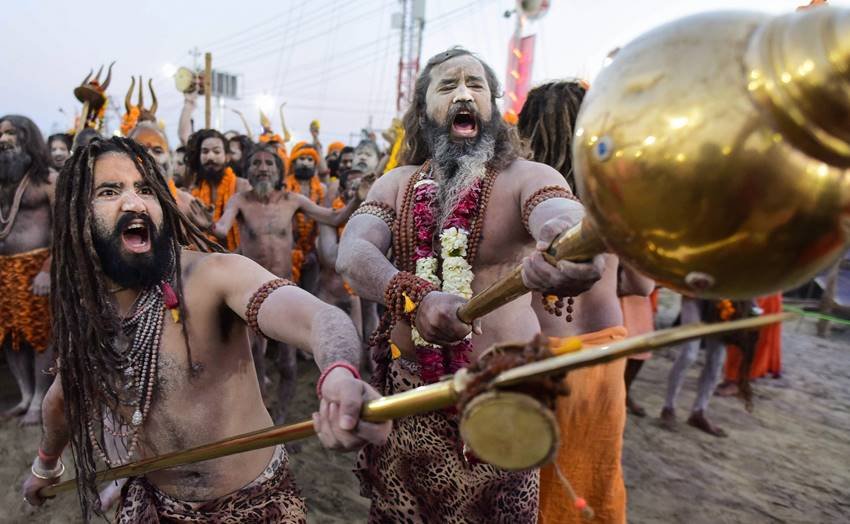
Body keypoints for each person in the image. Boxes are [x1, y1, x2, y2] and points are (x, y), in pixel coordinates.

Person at [21, 137, 391, 521]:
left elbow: (319, 318)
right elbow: (64, 398)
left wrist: (339, 373)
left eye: (145, 189)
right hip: (155, 503)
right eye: (109, 192)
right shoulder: (90, 311)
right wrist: (45, 464)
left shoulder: (213, 274)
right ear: (77, 215)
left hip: (254, 506)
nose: (135, 203)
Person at [336, 48, 603, 522]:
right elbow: (353, 252)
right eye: (448, 85)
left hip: (500, 400)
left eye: (476, 85)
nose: (464, 94)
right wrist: (412, 294)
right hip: (410, 400)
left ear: (493, 107)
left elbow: (560, 214)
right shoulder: (396, 184)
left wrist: (566, 243)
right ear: (424, 111)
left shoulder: (528, 177)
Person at [517, 80, 653, 524]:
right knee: (594, 474)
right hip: (603, 357)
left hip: (537, 358)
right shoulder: (613, 202)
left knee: (529, 481)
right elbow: (642, 286)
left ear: (526, 131)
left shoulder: (520, 197)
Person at [214, 143, 369, 423]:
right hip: (249, 291)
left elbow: (334, 217)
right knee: (255, 360)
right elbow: (222, 229)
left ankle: (282, 420)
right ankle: (262, 418)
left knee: (287, 361)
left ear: (279, 170)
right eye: (256, 163)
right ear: (247, 170)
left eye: (269, 163)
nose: (262, 168)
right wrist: (206, 223)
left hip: (283, 289)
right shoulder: (240, 200)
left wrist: (356, 199)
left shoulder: (292, 200)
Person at [0, 115, 55, 427]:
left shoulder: (48, 180)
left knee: (40, 335)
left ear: (28, 137)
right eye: (0, 134)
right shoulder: (2, 182)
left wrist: (47, 269)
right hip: (4, 271)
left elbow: (63, 232)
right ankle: (24, 395)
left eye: (11, 133)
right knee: (10, 336)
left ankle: (39, 400)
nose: (3, 140)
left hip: (38, 269)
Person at [661, 296, 729, 437]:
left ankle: (699, 412)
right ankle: (668, 407)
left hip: (725, 298)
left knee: (717, 360)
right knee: (688, 355)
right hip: (694, 295)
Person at [128, 122, 212, 233]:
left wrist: (208, 228)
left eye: (157, 151)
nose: (150, 156)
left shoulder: (187, 203)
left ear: (169, 157)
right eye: (140, 150)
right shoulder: (115, 201)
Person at [186, 129, 250, 251]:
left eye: (216, 151)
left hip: (239, 257)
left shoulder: (243, 187)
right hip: (205, 257)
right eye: (205, 151)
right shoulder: (193, 191)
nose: (210, 157)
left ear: (227, 157)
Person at [286, 144, 327, 289]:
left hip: (313, 250)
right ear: (293, 162)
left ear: (315, 164)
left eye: (310, 160)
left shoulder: (322, 189)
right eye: (301, 158)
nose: (305, 163)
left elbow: (325, 220)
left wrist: (314, 250)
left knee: (311, 292)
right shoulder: (284, 186)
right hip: (288, 249)